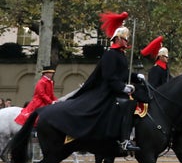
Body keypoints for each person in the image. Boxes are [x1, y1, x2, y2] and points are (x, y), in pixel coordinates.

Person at [41, 11, 144, 151]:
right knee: (128, 104)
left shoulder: (120, 55)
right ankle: (124, 140)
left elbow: (123, 74)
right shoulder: (110, 54)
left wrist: (136, 77)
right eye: (125, 38)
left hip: (115, 89)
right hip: (107, 91)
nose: (127, 41)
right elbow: (109, 77)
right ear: (118, 39)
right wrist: (122, 88)